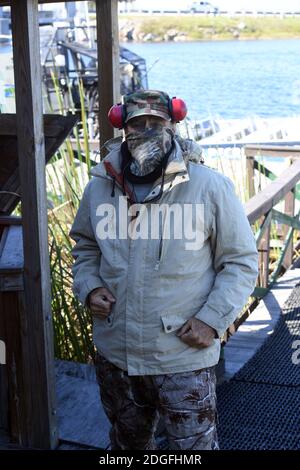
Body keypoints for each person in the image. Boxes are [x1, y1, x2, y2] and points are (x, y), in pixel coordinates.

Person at [69, 90, 258, 450]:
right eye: (137, 124)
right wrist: (90, 287)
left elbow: (240, 261)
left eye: (156, 123)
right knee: (127, 447)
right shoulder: (99, 187)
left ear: (173, 124)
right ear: (122, 127)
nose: (147, 130)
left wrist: (212, 320)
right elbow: (86, 246)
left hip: (182, 355)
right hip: (116, 354)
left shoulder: (209, 186)